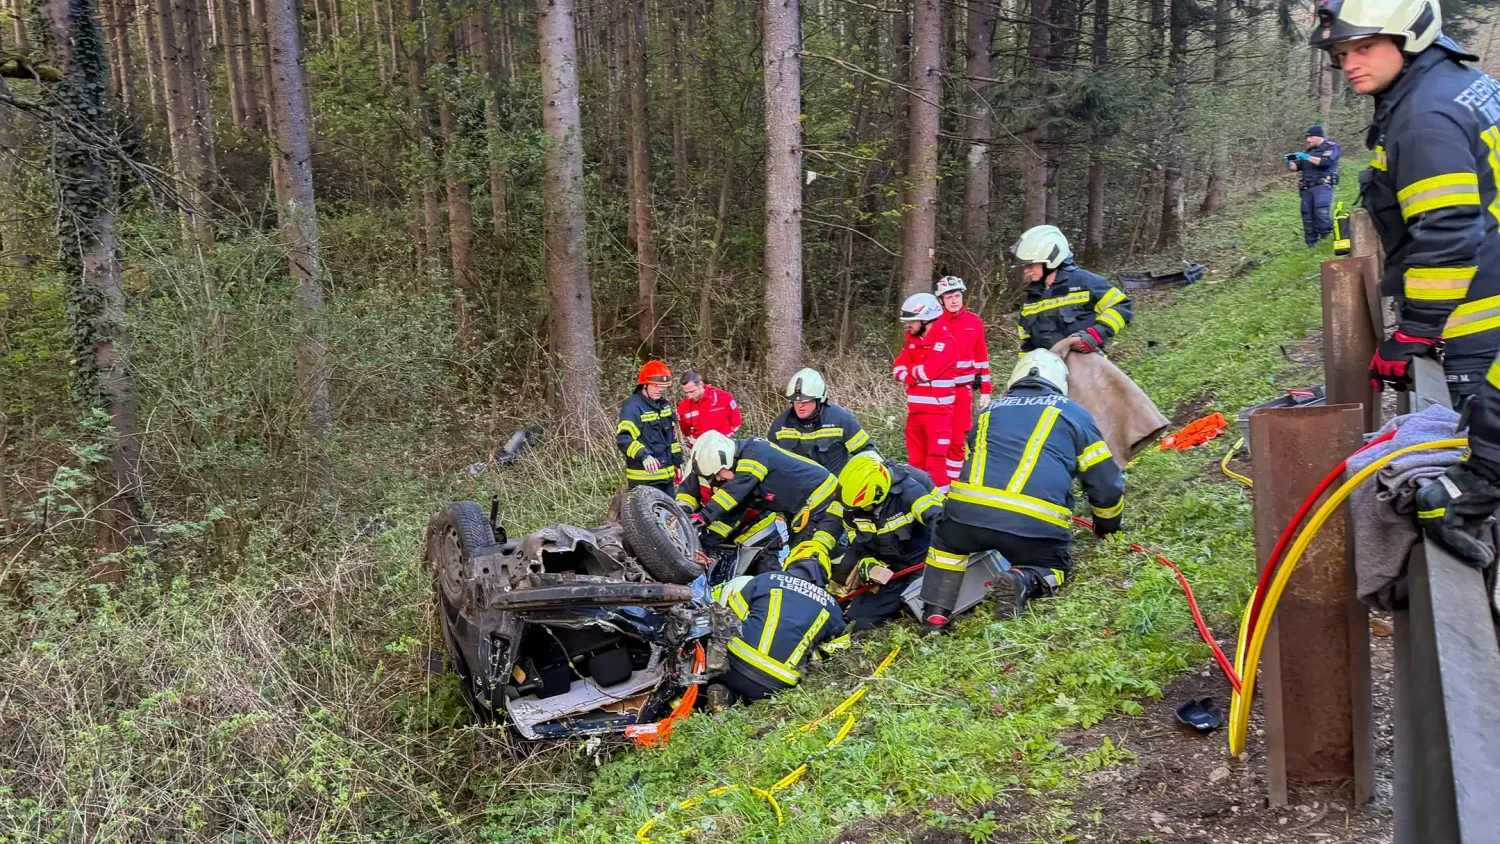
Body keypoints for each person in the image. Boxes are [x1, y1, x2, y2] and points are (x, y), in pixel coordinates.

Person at [1307, 0, 1500, 563]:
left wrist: (1415, 331)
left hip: (1478, 307)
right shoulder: (1463, 81)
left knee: (1481, 441)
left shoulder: (1423, 117)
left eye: (1365, 48)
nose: (1350, 65)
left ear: (1411, 38)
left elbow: (1448, 233)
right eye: (1342, 54)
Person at [918, 350, 1124, 635]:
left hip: (966, 514)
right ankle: (1022, 579)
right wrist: (1107, 527)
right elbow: (1105, 483)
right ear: (1059, 382)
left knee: (946, 544)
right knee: (1054, 566)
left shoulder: (989, 411)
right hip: (1033, 523)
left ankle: (935, 619)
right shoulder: (1074, 414)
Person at [681, 431, 845, 575]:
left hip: (822, 499)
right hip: (804, 507)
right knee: (811, 555)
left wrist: (702, 517)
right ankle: (837, 584)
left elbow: (732, 494)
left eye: (717, 474)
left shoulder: (754, 456)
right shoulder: (747, 469)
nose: (718, 479)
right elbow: (734, 512)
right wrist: (705, 544)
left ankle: (832, 589)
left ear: (726, 458)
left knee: (805, 558)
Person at [835, 452, 944, 631]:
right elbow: (857, 541)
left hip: (924, 563)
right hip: (889, 571)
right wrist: (866, 560)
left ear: (879, 492)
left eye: (865, 506)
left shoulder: (912, 490)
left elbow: (940, 524)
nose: (861, 511)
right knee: (859, 620)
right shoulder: (852, 507)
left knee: (920, 606)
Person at [716, 557, 848, 702]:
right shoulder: (833, 608)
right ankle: (734, 700)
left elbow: (729, 614)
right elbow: (834, 652)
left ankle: (716, 693)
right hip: (778, 683)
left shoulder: (766, 579)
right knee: (757, 693)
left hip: (731, 666)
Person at [1011, 225, 1133, 356]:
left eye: (1031, 264)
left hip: (1085, 368)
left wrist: (1095, 335)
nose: (1026, 270)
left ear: (1052, 258)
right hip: (1049, 371)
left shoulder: (1084, 281)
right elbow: (1027, 344)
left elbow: (1121, 306)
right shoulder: (1032, 297)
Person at [894, 293, 959, 492]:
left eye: (911, 321)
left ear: (925, 318)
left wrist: (911, 372)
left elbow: (927, 371)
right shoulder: (912, 342)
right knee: (915, 464)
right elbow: (897, 368)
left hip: (938, 415)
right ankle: (920, 503)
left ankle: (942, 507)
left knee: (935, 465)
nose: (908, 325)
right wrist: (913, 373)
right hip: (915, 413)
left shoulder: (946, 342)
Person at [935, 276, 994, 486]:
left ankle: (954, 485)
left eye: (957, 296)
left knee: (958, 441)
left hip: (962, 392)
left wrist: (986, 390)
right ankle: (936, 483)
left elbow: (982, 358)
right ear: (941, 300)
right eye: (949, 297)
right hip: (937, 394)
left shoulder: (974, 323)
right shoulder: (933, 323)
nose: (953, 300)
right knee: (937, 440)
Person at [767, 367, 874, 474]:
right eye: (796, 401)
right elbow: (767, 460)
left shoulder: (840, 420)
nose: (800, 405)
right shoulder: (780, 425)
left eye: (806, 401)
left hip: (832, 489)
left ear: (819, 399)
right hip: (793, 489)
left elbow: (867, 454)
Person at [616, 361, 682, 495]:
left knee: (670, 515)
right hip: (644, 479)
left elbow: (671, 439)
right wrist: (644, 456)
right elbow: (624, 438)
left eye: (663, 386)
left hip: (666, 477)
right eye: (656, 385)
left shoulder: (663, 405)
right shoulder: (633, 406)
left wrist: (677, 462)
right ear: (644, 384)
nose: (660, 390)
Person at [1287, 125, 1341, 246]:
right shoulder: (1308, 152)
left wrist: (1306, 157)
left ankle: (1326, 241)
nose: (1308, 140)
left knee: (1321, 214)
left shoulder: (1331, 147)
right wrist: (1289, 162)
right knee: (1307, 216)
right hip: (1307, 188)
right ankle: (1311, 245)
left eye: (1310, 137)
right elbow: (1296, 167)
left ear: (1319, 137)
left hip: (1322, 185)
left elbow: (1325, 162)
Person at [676, 371, 742, 448]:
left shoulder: (723, 398)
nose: (690, 396)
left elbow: (736, 422)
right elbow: (685, 430)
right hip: (699, 448)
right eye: (686, 393)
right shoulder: (683, 406)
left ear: (700, 385)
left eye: (692, 391)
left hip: (724, 445)